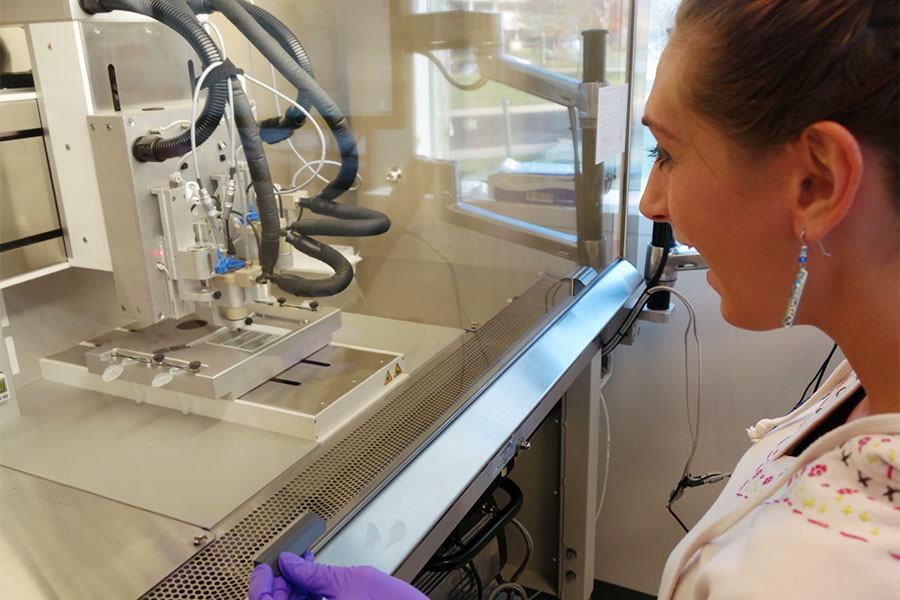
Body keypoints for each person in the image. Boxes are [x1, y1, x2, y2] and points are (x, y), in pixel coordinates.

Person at [248, 0, 899, 598]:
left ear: (816, 182)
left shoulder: (822, 574)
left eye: (666, 152)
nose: (650, 202)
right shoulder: (871, 381)